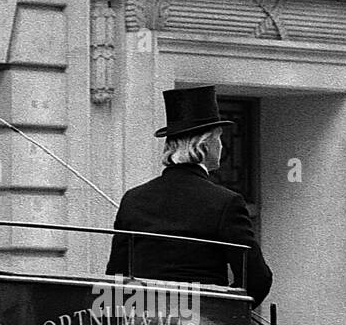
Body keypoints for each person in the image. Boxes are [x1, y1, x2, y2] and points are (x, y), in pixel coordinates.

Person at [105, 86, 273, 306]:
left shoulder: (133, 199)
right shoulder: (225, 202)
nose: (221, 146)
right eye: (219, 138)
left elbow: (116, 275)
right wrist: (225, 313)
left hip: (141, 321)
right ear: (205, 144)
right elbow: (258, 278)